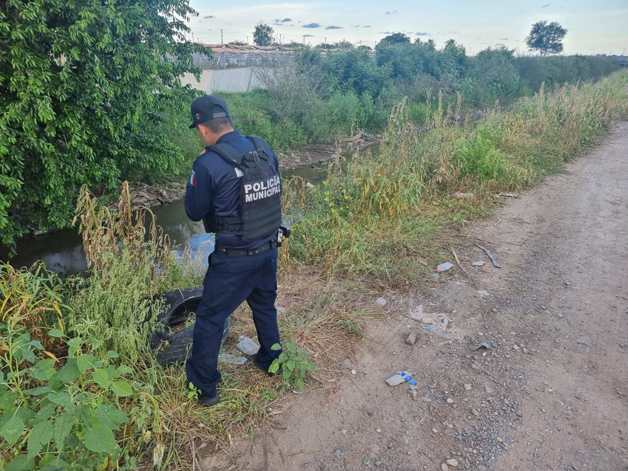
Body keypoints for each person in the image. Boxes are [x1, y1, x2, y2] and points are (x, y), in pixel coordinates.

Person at [184, 95, 283, 407]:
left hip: (234, 258)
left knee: (210, 319)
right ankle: (272, 360)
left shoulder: (208, 162)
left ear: (202, 129)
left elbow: (194, 211)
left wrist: (198, 173)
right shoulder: (262, 147)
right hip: (268, 248)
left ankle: (205, 388)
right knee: (264, 306)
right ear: (228, 121)